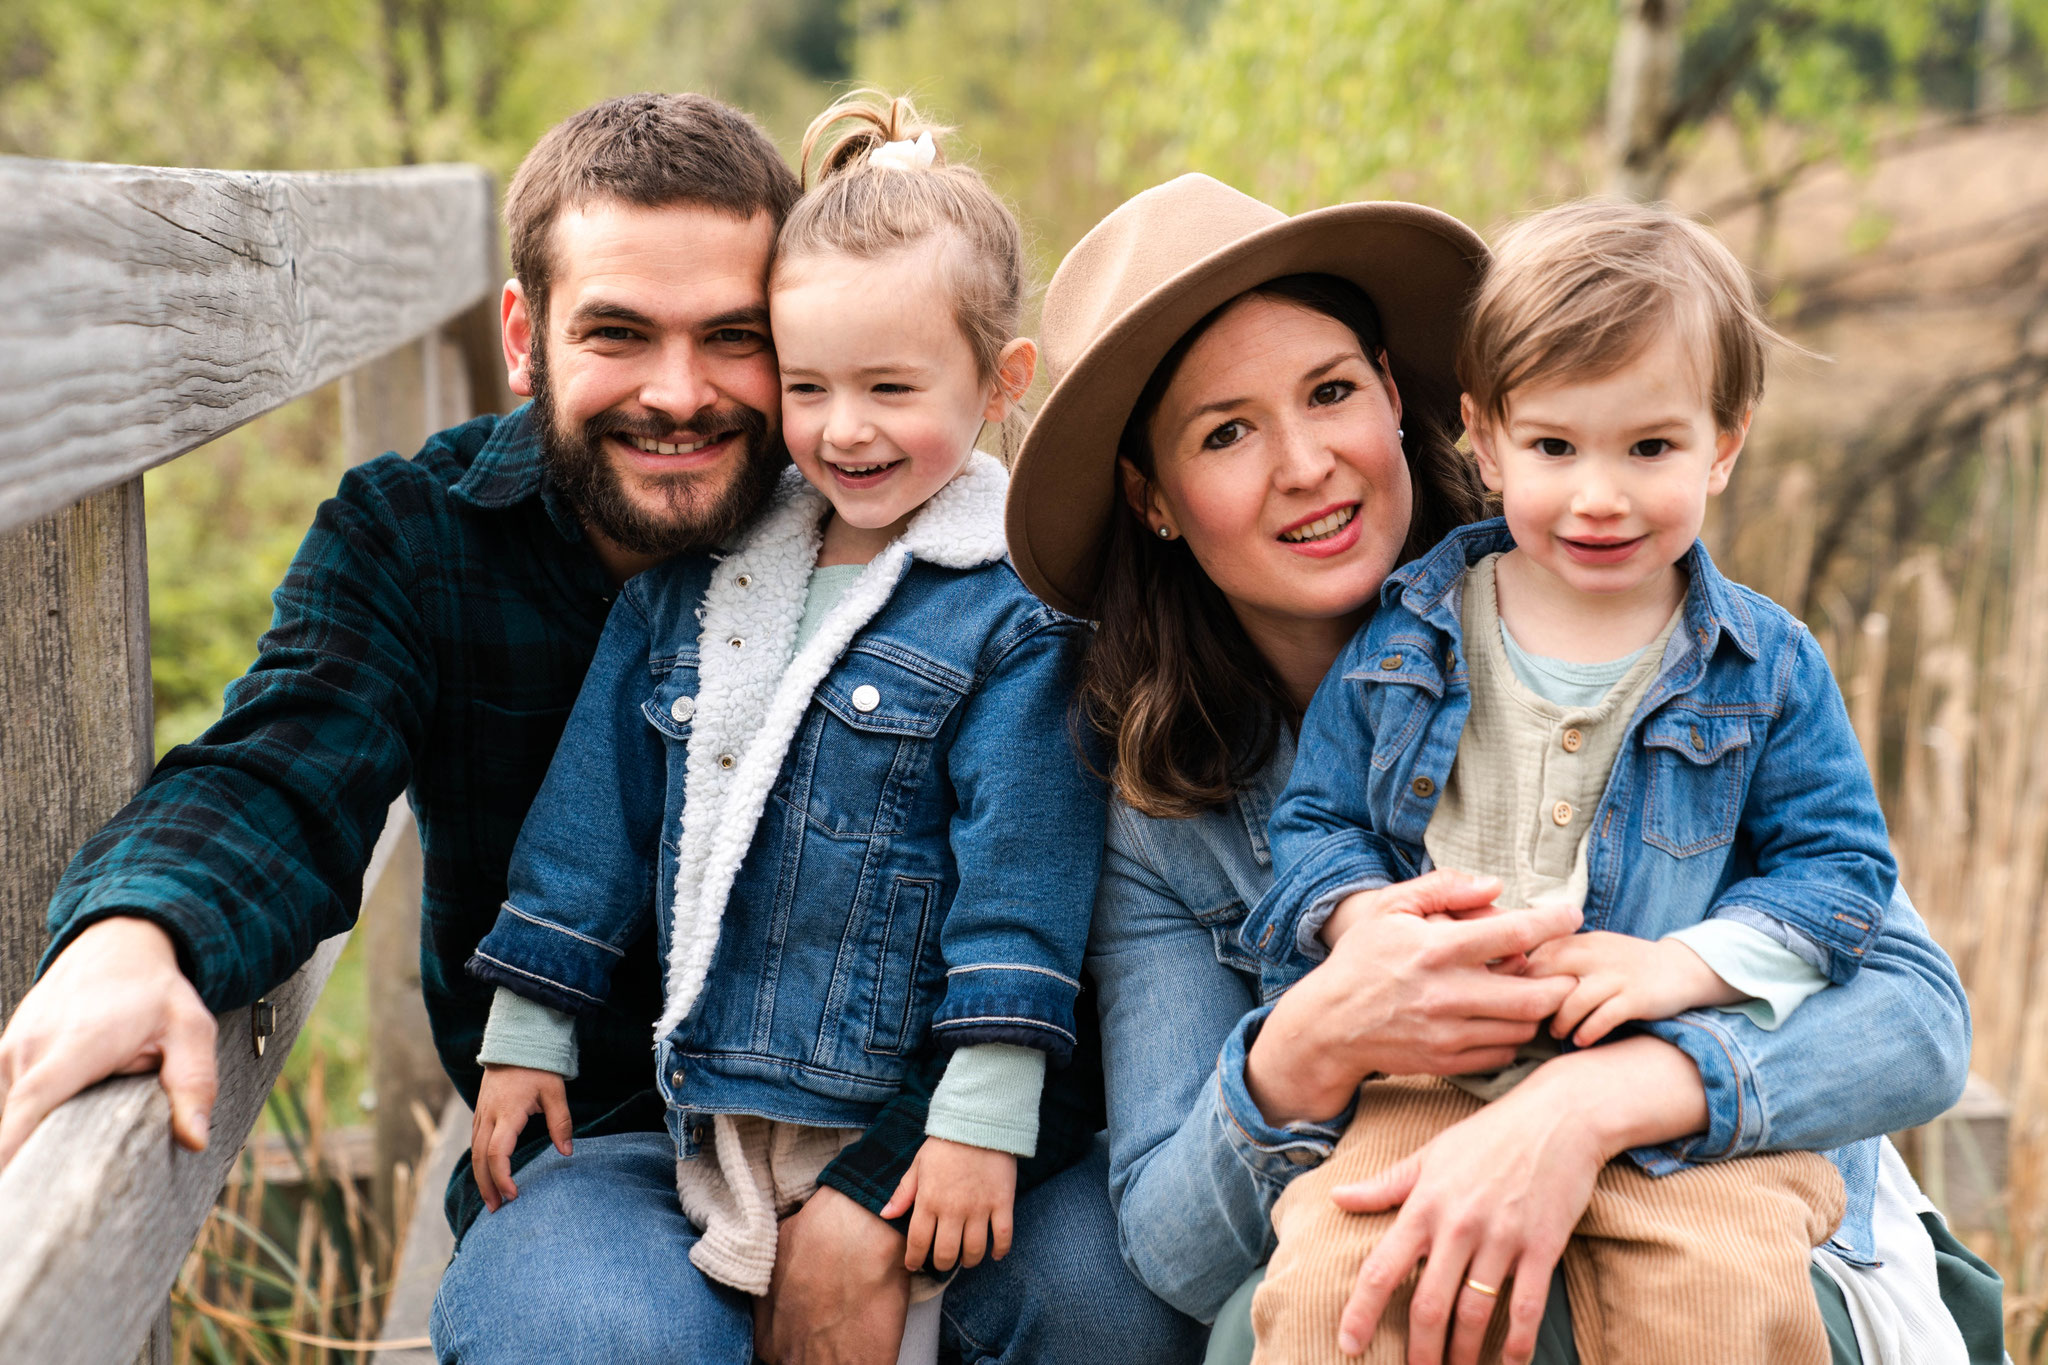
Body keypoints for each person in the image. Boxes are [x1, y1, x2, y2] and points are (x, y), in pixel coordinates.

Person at [0, 92, 1196, 1365]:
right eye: (618, 333)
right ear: (525, 335)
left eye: (730, 339)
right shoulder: (423, 540)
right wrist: (143, 931)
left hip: (937, 1124)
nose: (679, 396)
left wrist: (876, 1193)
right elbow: (289, 760)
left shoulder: (937, 553)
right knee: (585, 1336)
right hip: (609, 1141)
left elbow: (1054, 893)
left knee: (1112, 1310)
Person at [1003, 172, 2000, 1365]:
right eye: (1226, 432)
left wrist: (1591, 1104)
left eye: (1329, 392)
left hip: (1708, 1190)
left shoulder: (1625, 603)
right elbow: (1172, 1246)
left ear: (1394, 391)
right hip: (1412, 1164)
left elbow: (1916, 1020)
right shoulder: (1170, 808)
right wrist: (1319, 1038)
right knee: (1295, 1308)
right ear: (1152, 498)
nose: (1307, 462)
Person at [461, 91, 1095, 1354]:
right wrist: (528, 1025)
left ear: (998, 382)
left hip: (905, 1111)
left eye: (890, 386)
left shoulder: (1014, 615)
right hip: (720, 1105)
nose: (842, 428)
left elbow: (1020, 875)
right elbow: (593, 812)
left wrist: (979, 1107)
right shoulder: (701, 585)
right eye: (805, 386)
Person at [1249, 197, 1890, 1365]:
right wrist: (1361, 918)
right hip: (1426, 1085)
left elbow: (1839, 870)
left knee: (1716, 1304)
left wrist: (1677, 966)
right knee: (1334, 1297)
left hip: (1675, 1090)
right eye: (1553, 448)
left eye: (1649, 449)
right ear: (1482, 440)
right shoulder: (1406, 637)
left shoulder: (1764, 664)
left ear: (1723, 445)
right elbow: (1316, 824)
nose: (1599, 495)